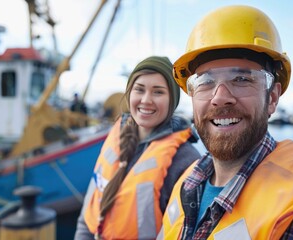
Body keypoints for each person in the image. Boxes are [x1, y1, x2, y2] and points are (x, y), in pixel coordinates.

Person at [158, 5, 293, 239]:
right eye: (206, 81)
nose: (220, 97)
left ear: (272, 98)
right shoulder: (187, 184)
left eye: (242, 79)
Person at [74, 56, 201, 239]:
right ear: (129, 94)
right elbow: (87, 217)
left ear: (171, 101)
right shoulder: (115, 137)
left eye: (158, 92)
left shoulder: (185, 161)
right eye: (139, 90)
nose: (146, 100)